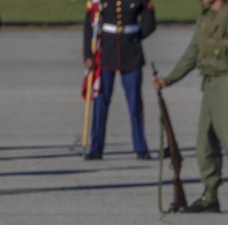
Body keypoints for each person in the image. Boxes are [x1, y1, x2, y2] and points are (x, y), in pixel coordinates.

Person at [153, 0, 228, 213]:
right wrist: (169, 79)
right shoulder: (205, 17)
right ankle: (210, 195)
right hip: (210, 84)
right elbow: (193, 52)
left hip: (226, 83)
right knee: (204, 142)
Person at [83, 0, 156, 161]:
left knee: (135, 104)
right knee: (101, 101)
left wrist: (135, 37)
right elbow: (90, 24)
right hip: (106, 52)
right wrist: (89, 54)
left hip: (131, 52)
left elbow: (150, 23)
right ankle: (96, 147)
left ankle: (140, 147)